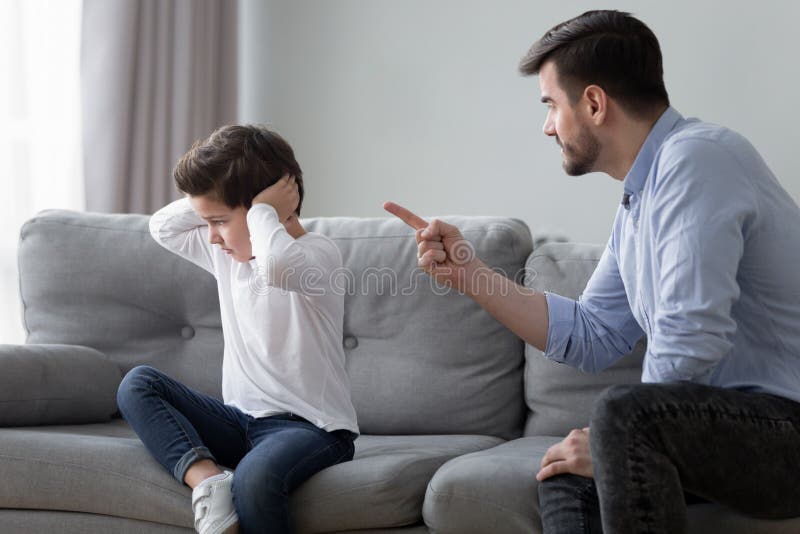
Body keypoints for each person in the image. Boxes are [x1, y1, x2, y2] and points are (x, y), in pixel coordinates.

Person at [385, 9, 800, 534]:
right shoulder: (638, 204)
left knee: (620, 417)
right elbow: (592, 334)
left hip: (785, 432)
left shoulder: (697, 160)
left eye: (551, 105)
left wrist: (621, 435)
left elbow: (690, 336)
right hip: (718, 431)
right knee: (565, 471)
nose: (547, 126)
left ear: (595, 103)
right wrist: (469, 273)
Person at [116, 125, 359, 534]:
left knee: (256, 478)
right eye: (206, 222)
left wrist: (264, 209)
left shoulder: (320, 256)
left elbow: (279, 267)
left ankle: (230, 481)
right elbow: (162, 227)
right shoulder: (227, 257)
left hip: (313, 429)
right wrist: (231, 197)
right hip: (240, 421)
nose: (211, 237)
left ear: (271, 211)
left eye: (220, 222)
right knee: (138, 385)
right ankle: (209, 481)